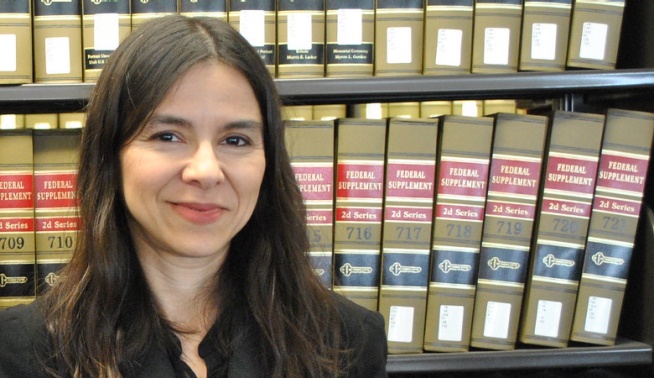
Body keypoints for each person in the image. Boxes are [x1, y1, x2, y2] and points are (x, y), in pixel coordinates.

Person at [0, 15, 387, 378]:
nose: (206, 171)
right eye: (168, 136)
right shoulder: (24, 350)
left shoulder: (347, 341)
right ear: (110, 156)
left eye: (235, 140)